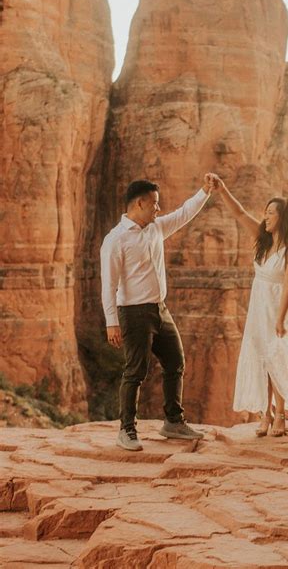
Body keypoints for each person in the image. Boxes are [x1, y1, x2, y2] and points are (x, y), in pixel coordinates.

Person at [100, 174, 215, 451]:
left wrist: (205, 191)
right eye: (154, 204)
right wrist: (111, 322)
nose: (158, 209)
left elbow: (184, 214)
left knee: (176, 361)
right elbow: (109, 284)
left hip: (159, 309)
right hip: (133, 312)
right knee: (135, 371)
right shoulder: (115, 240)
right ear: (139, 203)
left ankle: (173, 422)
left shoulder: (155, 228)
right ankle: (126, 430)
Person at [213, 176, 288, 437]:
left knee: (276, 356)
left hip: (282, 302)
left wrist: (280, 320)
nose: (265, 217)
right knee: (260, 355)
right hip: (260, 301)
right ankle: (264, 415)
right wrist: (222, 189)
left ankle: (280, 415)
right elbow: (239, 212)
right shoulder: (263, 240)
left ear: (284, 218)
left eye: (270, 213)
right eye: (265, 212)